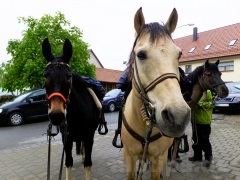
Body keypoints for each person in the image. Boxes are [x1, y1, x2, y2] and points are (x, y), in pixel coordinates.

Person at [188, 89, 216, 167]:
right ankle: (197, 156)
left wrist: (198, 104)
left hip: (204, 120)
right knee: (195, 139)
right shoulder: (193, 91)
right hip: (194, 120)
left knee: (204, 140)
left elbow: (212, 104)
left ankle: (208, 158)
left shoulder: (207, 92)